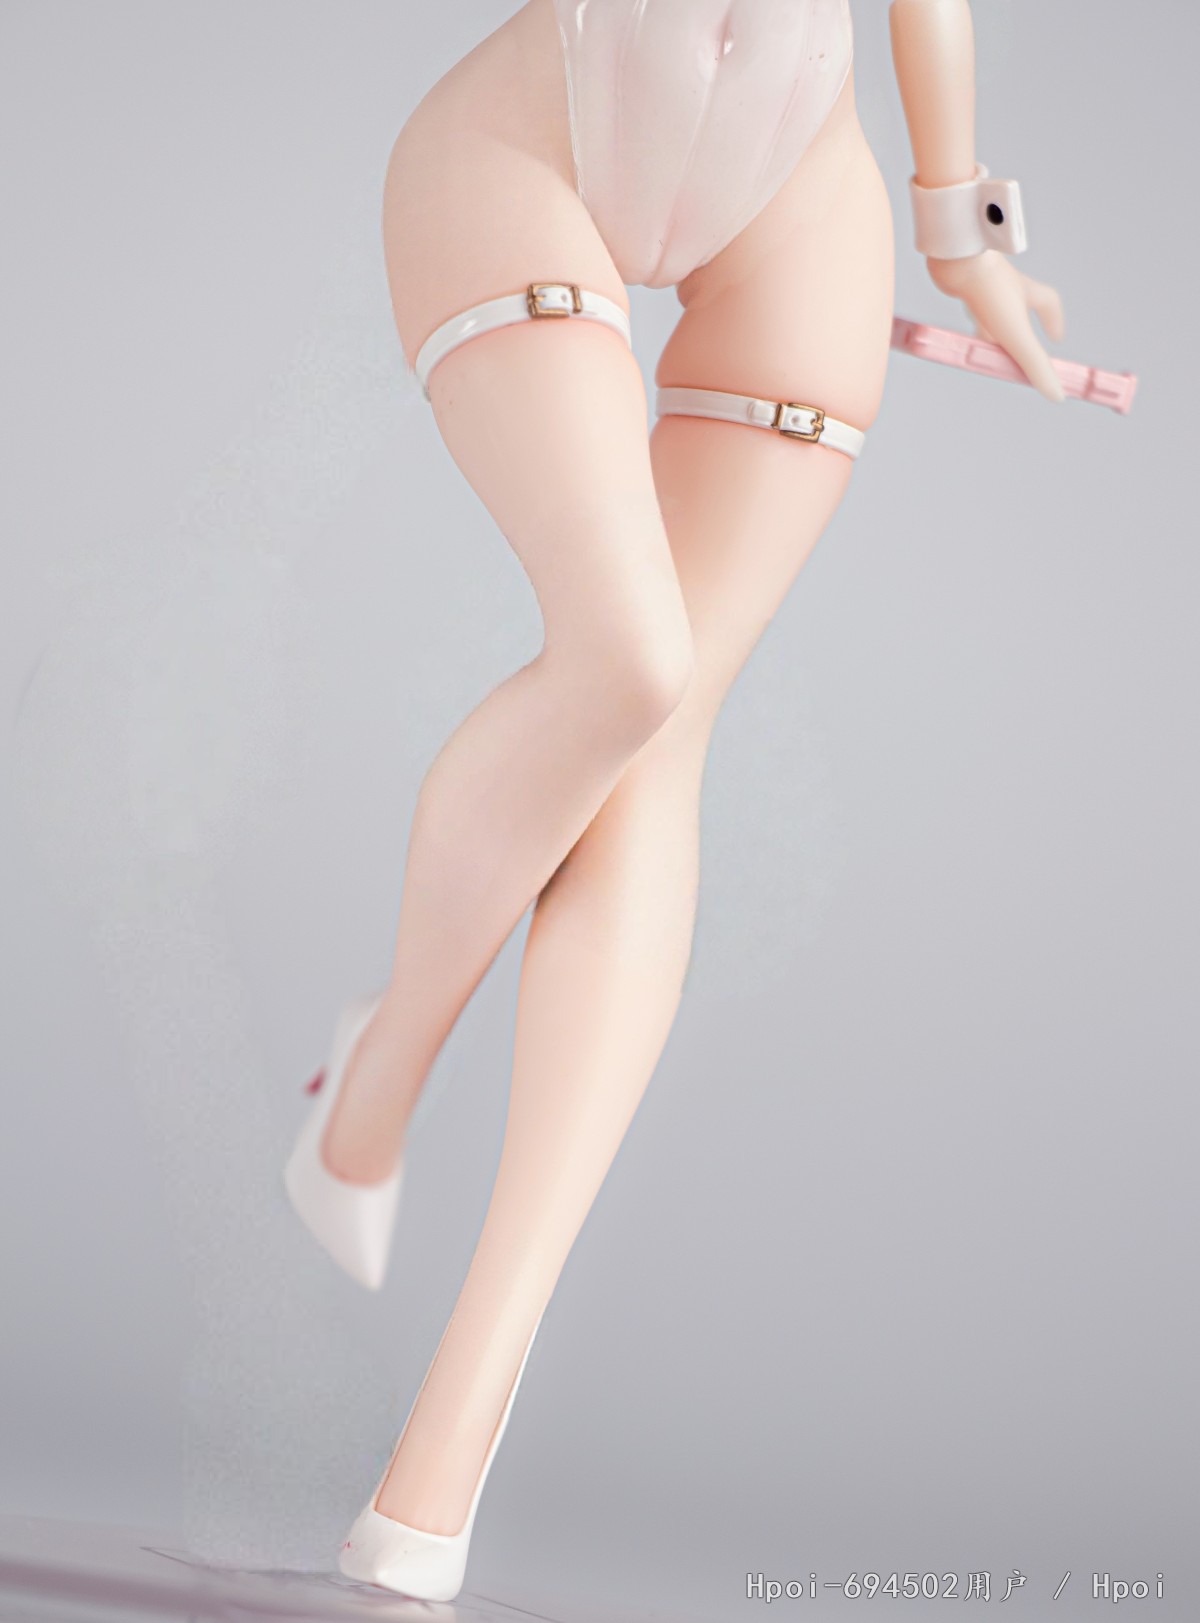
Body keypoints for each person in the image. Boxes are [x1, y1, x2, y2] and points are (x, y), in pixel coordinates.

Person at [284, 0, 1066, 1599]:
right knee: (629, 661)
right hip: (534, 133)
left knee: (667, 733)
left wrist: (961, 226)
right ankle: (380, 1076)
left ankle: (448, 1438)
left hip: (802, 188)